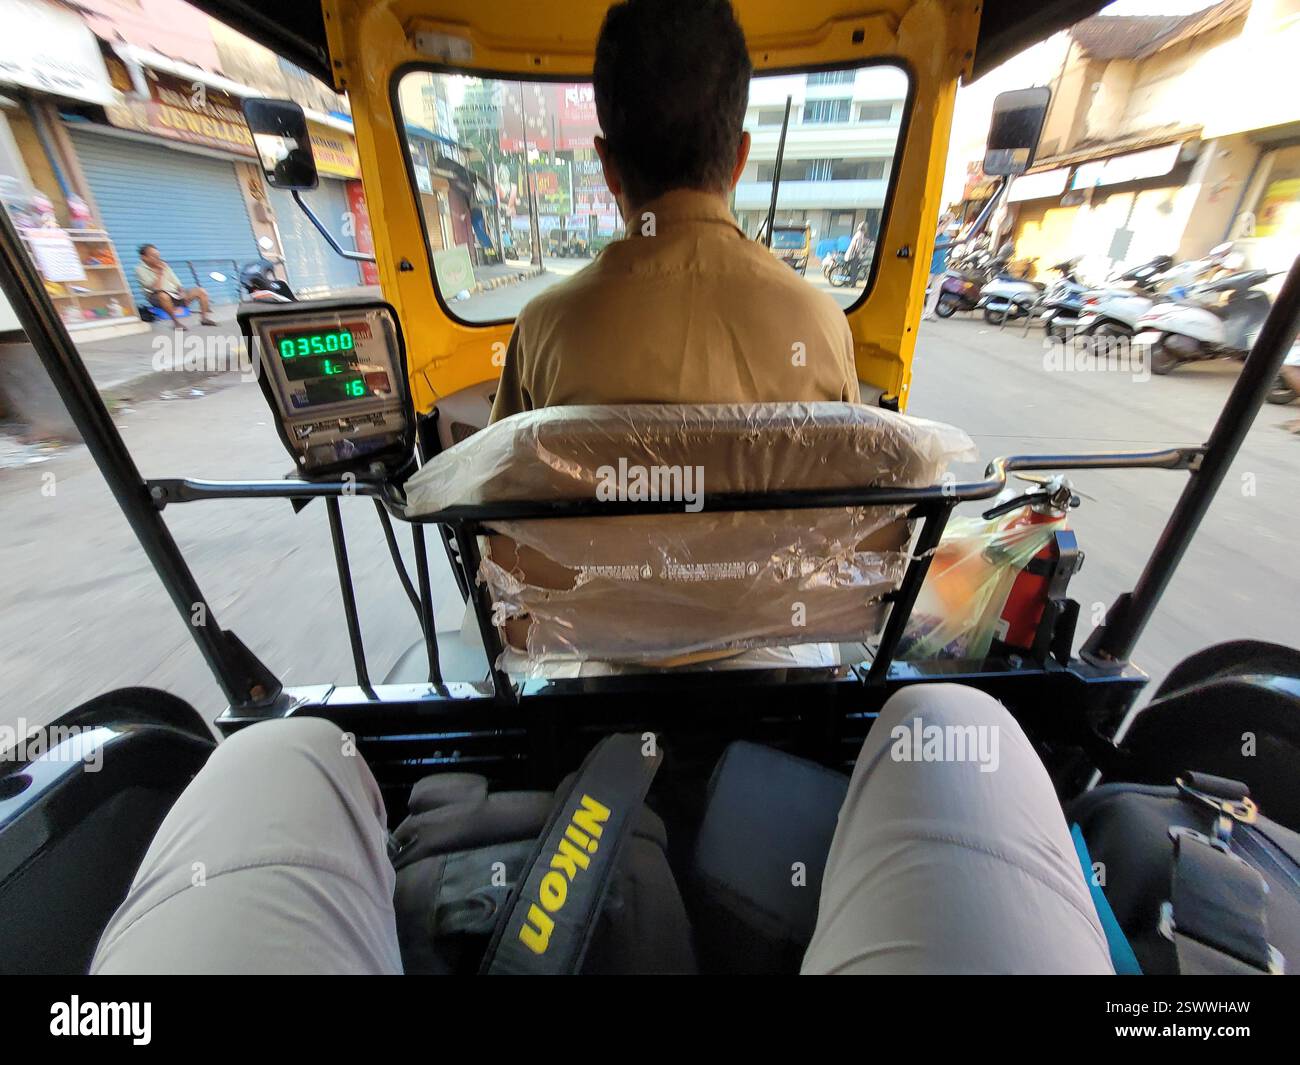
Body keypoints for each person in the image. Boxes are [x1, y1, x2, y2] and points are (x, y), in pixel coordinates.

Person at [90, 685, 1113, 974]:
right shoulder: (819, 334)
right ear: (740, 151)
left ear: (614, 175)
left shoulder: (546, 327)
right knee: (957, 720)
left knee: (288, 747)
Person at [489, 0, 859, 422]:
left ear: (608, 166)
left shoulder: (543, 333)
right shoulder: (822, 326)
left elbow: (501, 478)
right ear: (739, 159)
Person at [135, 244, 216, 328]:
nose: (157, 258)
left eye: (157, 256)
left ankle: (204, 319)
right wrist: (160, 273)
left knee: (201, 291)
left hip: (174, 294)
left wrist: (182, 292)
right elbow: (155, 288)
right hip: (156, 297)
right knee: (163, 295)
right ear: (144, 257)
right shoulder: (140, 269)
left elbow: (177, 283)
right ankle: (176, 323)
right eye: (153, 256)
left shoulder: (165, 266)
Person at [921, 214, 957, 321]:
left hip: (941, 267)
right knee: (921, 290)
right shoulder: (935, 232)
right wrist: (944, 222)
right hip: (930, 266)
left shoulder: (947, 234)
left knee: (935, 291)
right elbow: (937, 233)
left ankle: (929, 313)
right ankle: (920, 311)